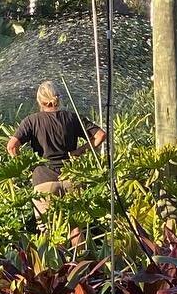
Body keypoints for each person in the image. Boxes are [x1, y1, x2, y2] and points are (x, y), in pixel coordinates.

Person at [7, 81, 105, 223]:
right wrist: (79, 151)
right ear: (58, 98)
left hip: (43, 181)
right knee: (75, 226)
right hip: (71, 178)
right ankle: (84, 246)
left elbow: (12, 146)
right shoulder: (72, 117)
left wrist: (24, 168)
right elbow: (100, 135)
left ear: (40, 100)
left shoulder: (31, 121)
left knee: (47, 229)